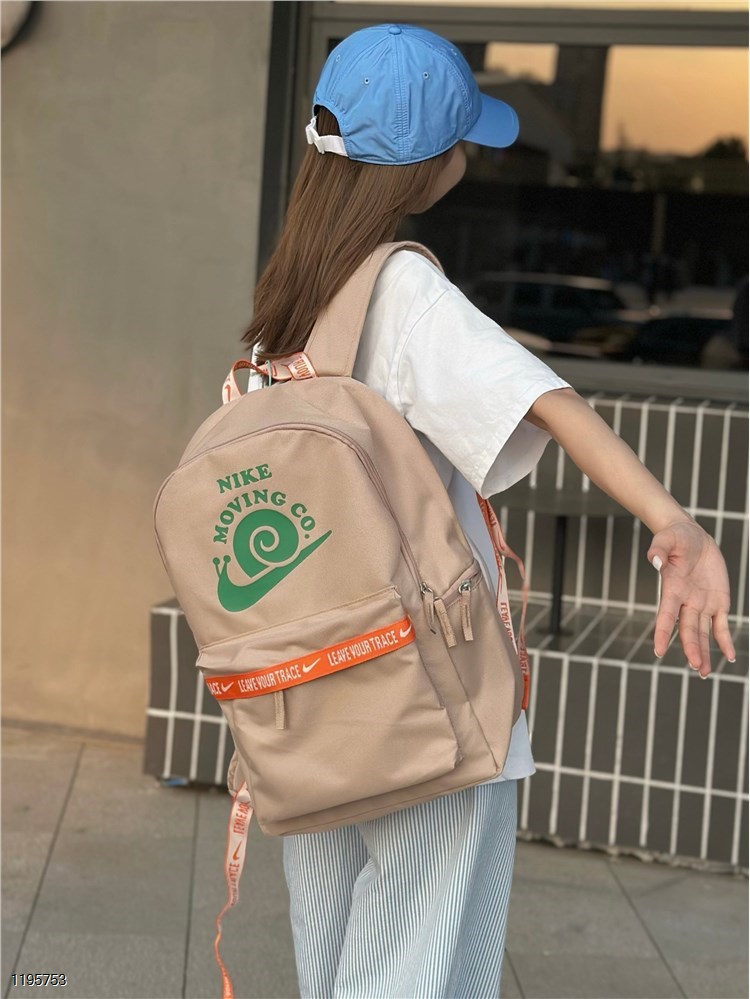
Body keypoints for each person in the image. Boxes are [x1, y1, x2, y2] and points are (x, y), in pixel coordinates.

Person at [242, 24, 736, 999]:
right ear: (429, 165)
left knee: (335, 954)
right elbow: (547, 399)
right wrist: (673, 522)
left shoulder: (287, 302)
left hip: (312, 685)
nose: (470, 156)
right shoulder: (405, 288)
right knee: (413, 967)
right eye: (464, 140)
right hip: (421, 697)